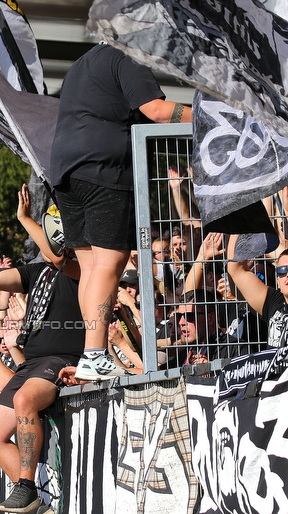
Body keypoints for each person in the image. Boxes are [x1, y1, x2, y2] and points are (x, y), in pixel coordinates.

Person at [50, 42, 191, 381]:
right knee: (109, 262)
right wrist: (210, 118)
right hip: (103, 167)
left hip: (65, 169)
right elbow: (156, 110)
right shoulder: (127, 55)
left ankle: (93, 353)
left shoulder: (83, 62)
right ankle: (95, 354)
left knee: (90, 267)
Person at [0, 207, 83, 514]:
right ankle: (35, 502)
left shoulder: (80, 265)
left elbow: (59, 258)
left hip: (62, 358)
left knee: (25, 401)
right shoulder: (37, 270)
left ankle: (25, 487)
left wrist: (26, 220)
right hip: (31, 364)